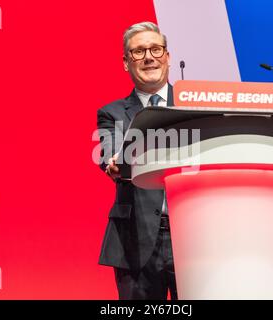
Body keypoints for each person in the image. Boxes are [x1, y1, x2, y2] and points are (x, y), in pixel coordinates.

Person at [96, 21, 177, 300]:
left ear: (167, 56)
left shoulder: (194, 103)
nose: (148, 57)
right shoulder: (112, 112)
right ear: (125, 62)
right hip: (135, 241)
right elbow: (108, 153)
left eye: (155, 49)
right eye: (138, 52)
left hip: (195, 233)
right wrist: (115, 161)